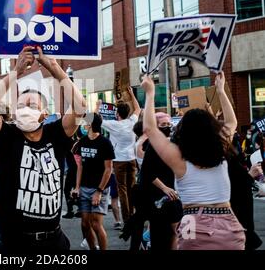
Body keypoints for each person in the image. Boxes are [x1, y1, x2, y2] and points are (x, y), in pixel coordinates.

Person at [0, 46, 86, 251]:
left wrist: (55, 68)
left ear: (43, 113)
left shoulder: (55, 134)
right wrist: (16, 72)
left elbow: (80, 108)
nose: (24, 110)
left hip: (53, 241)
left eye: (31, 105)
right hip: (16, 242)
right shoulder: (7, 137)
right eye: (20, 106)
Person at [141, 71, 246, 250]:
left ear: (183, 131)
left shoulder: (178, 159)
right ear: (212, 129)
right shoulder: (220, 150)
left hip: (192, 220)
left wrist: (150, 93)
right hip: (228, 220)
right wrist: (220, 90)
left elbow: (150, 129)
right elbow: (232, 122)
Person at [137, 112, 183, 250]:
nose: (167, 127)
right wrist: (164, 188)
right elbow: (146, 172)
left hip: (173, 195)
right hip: (157, 196)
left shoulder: (174, 143)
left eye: (169, 124)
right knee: (161, 233)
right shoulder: (153, 146)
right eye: (163, 125)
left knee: (176, 230)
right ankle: (147, 241)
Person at [72, 113, 114, 250]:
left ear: (90, 124)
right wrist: (77, 187)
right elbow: (80, 166)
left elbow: (108, 170)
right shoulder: (82, 141)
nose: (82, 124)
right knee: (85, 224)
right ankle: (92, 248)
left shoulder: (105, 143)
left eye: (85, 121)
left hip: (99, 188)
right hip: (84, 187)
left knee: (96, 224)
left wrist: (99, 191)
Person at [98, 89, 141, 224]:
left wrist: (98, 106)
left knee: (122, 190)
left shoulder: (114, 125)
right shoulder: (132, 121)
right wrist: (132, 94)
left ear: (117, 114)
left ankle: (127, 220)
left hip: (119, 161)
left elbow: (93, 119)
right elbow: (138, 109)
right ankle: (133, 216)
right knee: (132, 188)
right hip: (132, 159)